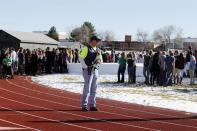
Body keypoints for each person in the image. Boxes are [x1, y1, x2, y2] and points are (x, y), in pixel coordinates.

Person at [79, 35, 102, 112]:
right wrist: (85, 67)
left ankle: (92, 105)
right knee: (87, 88)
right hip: (88, 70)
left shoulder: (98, 50)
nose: (97, 42)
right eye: (96, 40)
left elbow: (100, 60)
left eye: (98, 41)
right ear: (92, 41)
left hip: (95, 70)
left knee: (94, 88)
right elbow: (81, 57)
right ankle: (84, 106)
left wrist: (98, 62)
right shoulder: (86, 48)